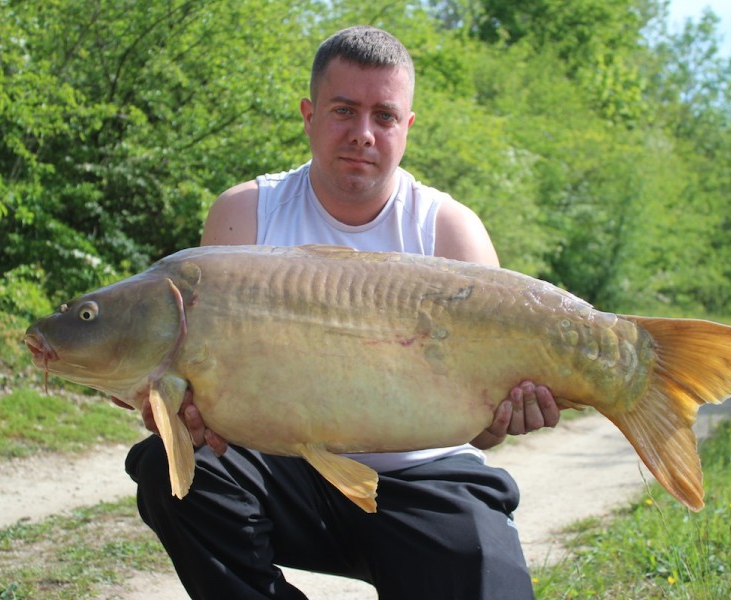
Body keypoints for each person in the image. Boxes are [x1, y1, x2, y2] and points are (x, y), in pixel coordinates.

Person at [122, 25, 560, 600]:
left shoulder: (449, 229)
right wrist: (182, 415)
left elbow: (483, 430)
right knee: (169, 470)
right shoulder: (245, 215)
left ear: (407, 127)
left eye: (383, 116)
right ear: (309, 114)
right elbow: (201, 391)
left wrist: (507, 415)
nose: (362, 134)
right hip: (281, 470)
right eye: (343, 110)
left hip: (424, 476)